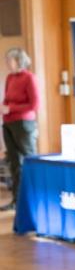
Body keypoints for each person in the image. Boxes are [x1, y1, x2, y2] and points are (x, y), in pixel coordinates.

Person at [1, 48, 39, 211]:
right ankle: (17, 200)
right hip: (8, 123)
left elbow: (34, 105)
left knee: (29, 160)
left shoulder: (29, 77)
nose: (7, 63)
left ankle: (35, 198)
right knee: (15, 163)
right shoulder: (10, 77)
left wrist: (12, 109)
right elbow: (7, 99)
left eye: (10, 60)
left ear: (19, 61)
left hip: (23, 124)